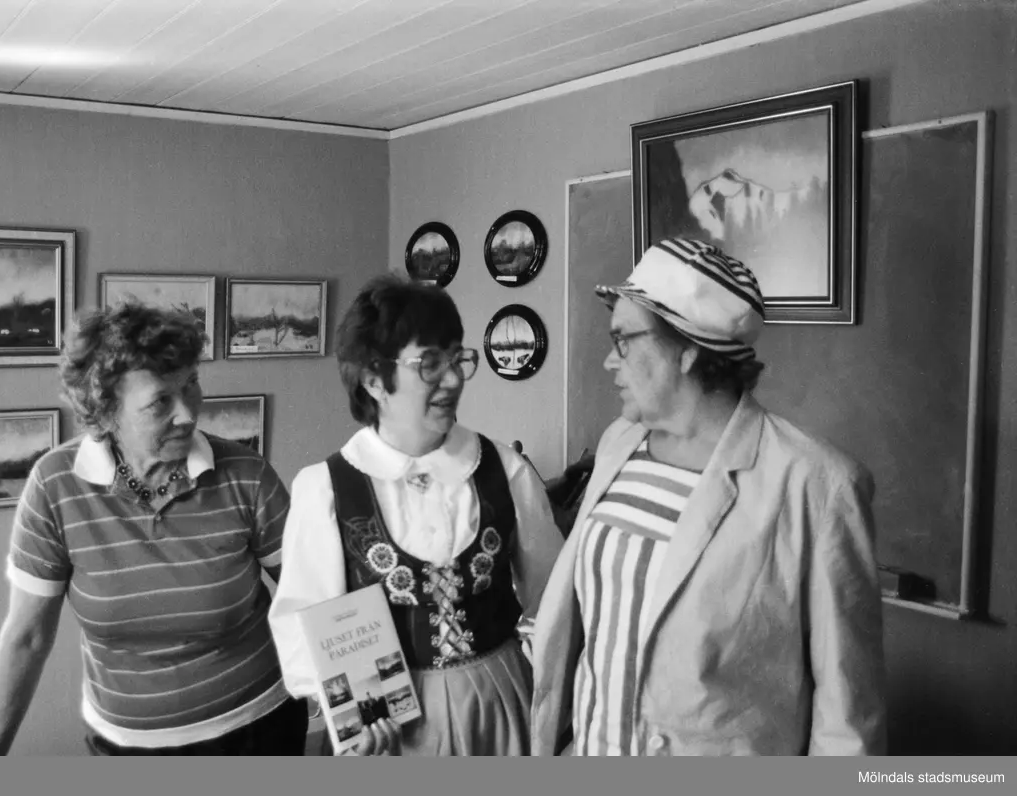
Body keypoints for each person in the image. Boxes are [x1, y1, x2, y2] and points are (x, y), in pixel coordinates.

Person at [531, 238, 887, 756]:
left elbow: (847, 717)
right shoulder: (618, 444)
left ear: (689, 348)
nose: (609, 360)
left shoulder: (816, 484)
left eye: (623, 339)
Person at [0, 302, 307, 756]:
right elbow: (26, 638)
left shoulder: (246, 475)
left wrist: (359, 705)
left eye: (191, 385)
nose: (187, 413)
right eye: (160, 401)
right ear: (105, 412)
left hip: (258, 730)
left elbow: (314, 598)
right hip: (125, 747)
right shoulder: (55, 485)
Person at [268, 274, 564, 756]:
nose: (453, 378)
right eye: (430, 363)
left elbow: (554, 595)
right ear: (374, 380)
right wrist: (352, 719)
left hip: (501, 702)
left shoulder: (504, 470)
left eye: (457, 358)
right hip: (392, 725)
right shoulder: (326, 489)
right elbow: (306, 622)